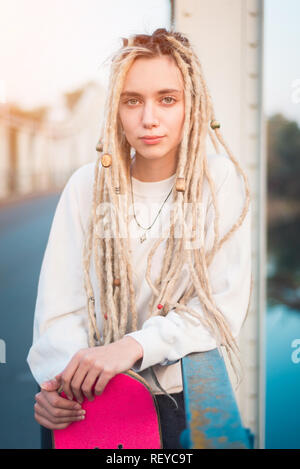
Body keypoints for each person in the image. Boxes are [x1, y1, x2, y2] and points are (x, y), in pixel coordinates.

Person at [27, 28, 252, 449]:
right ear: (117, 109)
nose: (149, 117)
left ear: (192, 106)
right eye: (133, 100)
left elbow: (219, 306)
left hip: (172, 406)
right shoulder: (85, 186)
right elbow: (57, 311)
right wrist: (57, 381)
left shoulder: (217, 183)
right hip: (82, 404)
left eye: (167, 99)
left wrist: (132, 346)